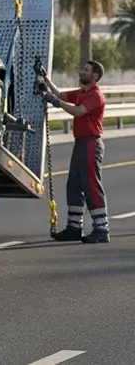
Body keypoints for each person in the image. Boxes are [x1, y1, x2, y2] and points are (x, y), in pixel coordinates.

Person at [38, 59, 109, 243]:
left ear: (95, 76)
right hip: (80, 144)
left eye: (86, 70)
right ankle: (74, 227)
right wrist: (46, 79)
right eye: (83, 69)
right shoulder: (81, 92)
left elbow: (78, 111)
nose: (82, 71)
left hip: (91, 144)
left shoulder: (95, 95)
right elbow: (60, 94)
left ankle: (101, 229)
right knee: (74, 185)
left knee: (91, 185)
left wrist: (56, 102)